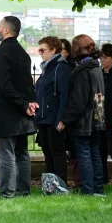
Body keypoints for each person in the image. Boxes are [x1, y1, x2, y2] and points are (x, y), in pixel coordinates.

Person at [0, 16, 37, 199]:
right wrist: (31, 102)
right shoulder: (23, 53)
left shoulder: (2, 53)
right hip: (20, 114)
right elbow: (28, 83)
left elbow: (5, 86)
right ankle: (23, 191)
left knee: (5, 153)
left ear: (6, 30)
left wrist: (25, 104)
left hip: (4, 113)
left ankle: (7, 192)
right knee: (22, 153)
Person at [57, 35, 105, 196]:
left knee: (84, 154)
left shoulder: (83, 70)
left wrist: (65, 120)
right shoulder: (96, 67)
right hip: (97, 118)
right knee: (95, 153)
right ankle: (98, 188)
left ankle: (88, 190)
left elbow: (78, 100)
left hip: (84, 121)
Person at [34, 36, 71, 184]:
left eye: (42, 50)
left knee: (57, 152)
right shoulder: (47, 69)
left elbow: (64, 95)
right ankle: (50, 184)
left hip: (54, 118)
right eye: (39, 50)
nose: (40, 53)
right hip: (43, 117)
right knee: (47, 153)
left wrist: (61, 118)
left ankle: (60, 183)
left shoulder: (61, 68)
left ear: (53, 50)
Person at [61, 38, 80, 188]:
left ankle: (77, 182)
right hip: (67, 116)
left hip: (70, 117)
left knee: (74, 153)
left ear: (67, 51)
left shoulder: (69, 68)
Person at [99, 43, 112, 184]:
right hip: (99, 118)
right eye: (101, 57)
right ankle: (103, 180)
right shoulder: (98, 75)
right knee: (100, 152)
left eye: (105, 57)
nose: (102, 60)